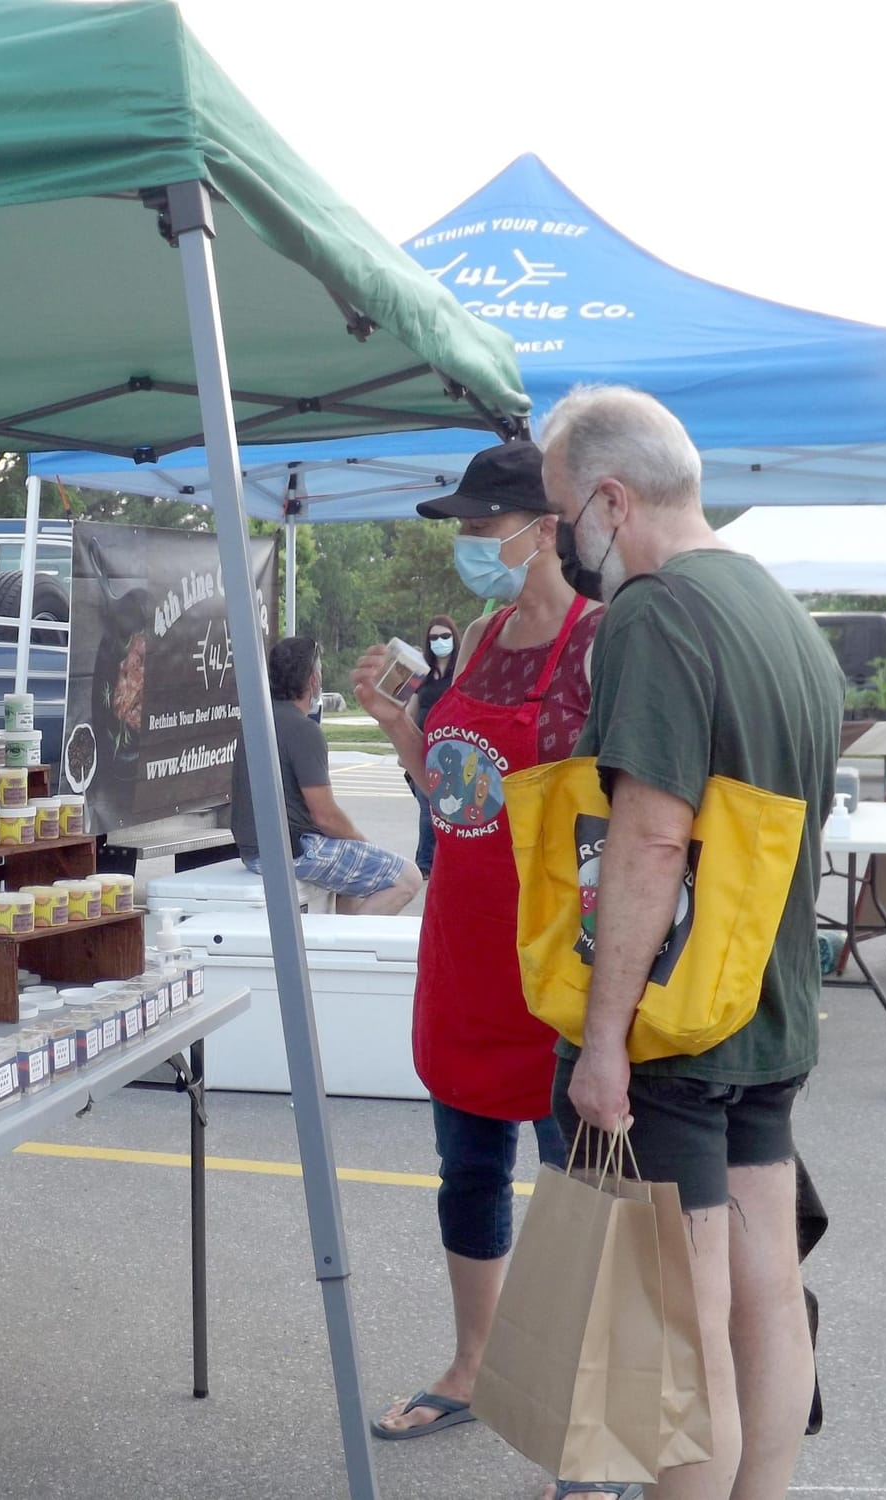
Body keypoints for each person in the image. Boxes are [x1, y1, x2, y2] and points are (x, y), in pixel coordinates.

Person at [539, 386, 842, 1500]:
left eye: (563, 511)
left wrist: (602, 1040)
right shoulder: (775, 608)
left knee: (682, 1323)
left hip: (675, 1018)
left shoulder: (655, 613)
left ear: (612, 501)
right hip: (767, 1007)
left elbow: (651, 834)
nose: (562, 536)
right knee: (765, 1293)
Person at [353, 440, 602, 1447]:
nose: (466, 542)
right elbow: (454, 796)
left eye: (480, 525)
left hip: (554, 962)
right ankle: (474, 1365)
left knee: (578, 1197)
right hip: (462, 953)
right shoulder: (484, 635)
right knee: (467, 1173)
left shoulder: (600, 644)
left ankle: (587, 1416)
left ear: (545, 528)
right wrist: (398, 731)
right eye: (460, 526)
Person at [232, 636, 421, 915]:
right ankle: (351, 941)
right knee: (409, 878)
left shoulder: (257, 722)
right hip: (295, 851)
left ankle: (341, 932)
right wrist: (363, 843)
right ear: (313, 680)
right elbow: (325, 816)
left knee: (352, 879)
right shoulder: (304, 730)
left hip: (253, 852)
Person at [406, 613, 462, 878]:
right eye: (434, 637)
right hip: (423, 747)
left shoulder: (461, 670)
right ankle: (425, 863)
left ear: (454, 638)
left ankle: (447, 859)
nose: (440, 641)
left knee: (449, 808)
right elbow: (410, 709)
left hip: (452, 748)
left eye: (445, 636)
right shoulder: (423, 673)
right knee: (427, 807)